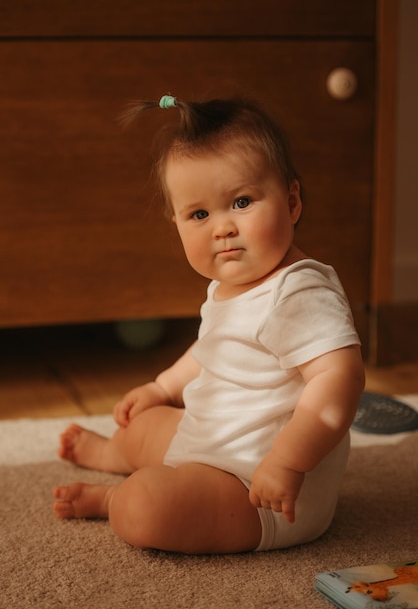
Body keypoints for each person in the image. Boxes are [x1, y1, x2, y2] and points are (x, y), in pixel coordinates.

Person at [53, 94, 365, 554]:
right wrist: (162, 387)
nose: (222, 228)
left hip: (259, 488)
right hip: (209, 440)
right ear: (176, 222)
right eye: (199, 214)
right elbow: (211, 349)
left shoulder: (298, 293)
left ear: (292, 201)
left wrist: (287, 462)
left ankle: (118, 497)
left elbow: (341, 378)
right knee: (145, 423)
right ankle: (112, 454)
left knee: (146, 507)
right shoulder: (227, 287)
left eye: (241, 202)